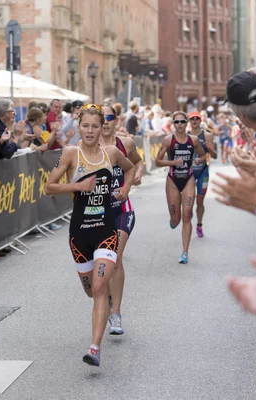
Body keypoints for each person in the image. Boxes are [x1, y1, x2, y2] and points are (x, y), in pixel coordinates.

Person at [45, 104, 135, 367]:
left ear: (101, 127)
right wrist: (78, 186)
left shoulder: (112, 153)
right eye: (85, 125)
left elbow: (130, 169)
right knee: (91, 291)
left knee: (98, 288)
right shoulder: (71, 154)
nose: (90, 130)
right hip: (79, 235)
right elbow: (49, 187)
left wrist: (126, 187)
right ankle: (104, 305)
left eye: (96, 126)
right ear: (78, 125)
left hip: (106, 230)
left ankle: (95, 348)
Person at [100, 104, 143, 335]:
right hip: (97, 213)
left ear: (116, 120)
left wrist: (134, 177)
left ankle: (115, 314)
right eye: (101, 118)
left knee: (115, 258)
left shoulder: (125, 143)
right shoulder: (86, 147)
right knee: (102, 263)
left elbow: (137, 161)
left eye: (109, 117)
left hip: (122, 209)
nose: (105, 122)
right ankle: (108, 299)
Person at [155, 111, 206, 264]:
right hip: (172, 181)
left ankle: (185, 252)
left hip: (189, 179)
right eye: (176, 122)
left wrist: (198, 160)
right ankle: (173, 219)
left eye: (182, 122)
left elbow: (203, 155)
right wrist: (172, 163)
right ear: (173, 124)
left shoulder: (194, 140)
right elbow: (157, 161)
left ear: (186, 123)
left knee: (187, 214)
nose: (179, 124)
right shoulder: (168, 140)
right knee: (176, 220)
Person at [188, 111, 218, 238]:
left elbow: (215, 156)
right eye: (192, 119)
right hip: (188, 172)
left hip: (202, 172)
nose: (194, 121)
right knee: (189, 200)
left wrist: (210, 149)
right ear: (189, 121)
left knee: (200, 201)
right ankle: (188, 213)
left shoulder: (207, 135)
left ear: (200, 121)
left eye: (197, 119)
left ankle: (199, 225)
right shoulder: (185, 135)